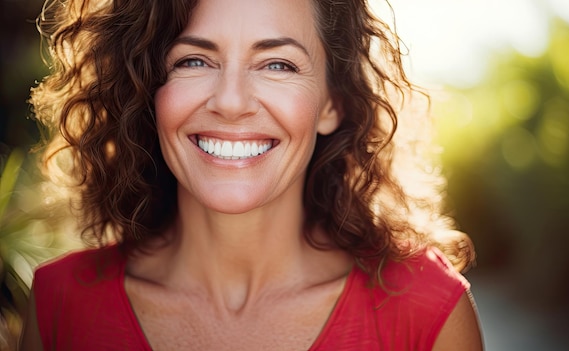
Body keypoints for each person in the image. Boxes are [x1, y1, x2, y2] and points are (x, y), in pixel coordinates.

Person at [20, 0, 482, 349]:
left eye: (277, 64)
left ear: (331, 103)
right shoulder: (61, 305)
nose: (232, 101)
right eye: (193, 61)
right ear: (147, 91)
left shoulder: (426, 311)